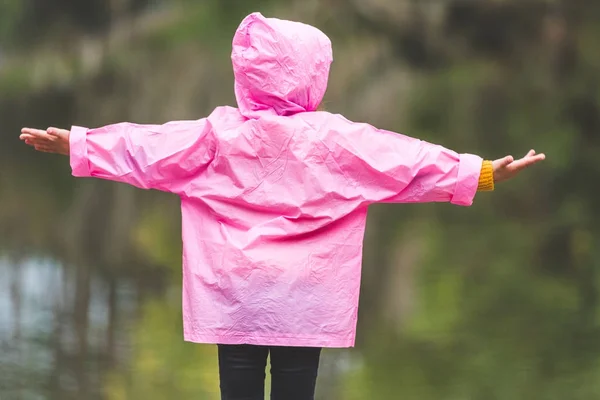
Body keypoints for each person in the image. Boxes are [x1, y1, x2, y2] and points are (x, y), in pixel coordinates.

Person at [19, 12, 545, 400]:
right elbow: (406, 162)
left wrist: (81, 143)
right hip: (308, 297)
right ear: (312, 74)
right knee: (297, 390)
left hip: (235, 296)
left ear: (245, 74)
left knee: (239, 389)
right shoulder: (336, 140)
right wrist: (478, 172)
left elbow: (146, 147)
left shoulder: (216, 137)